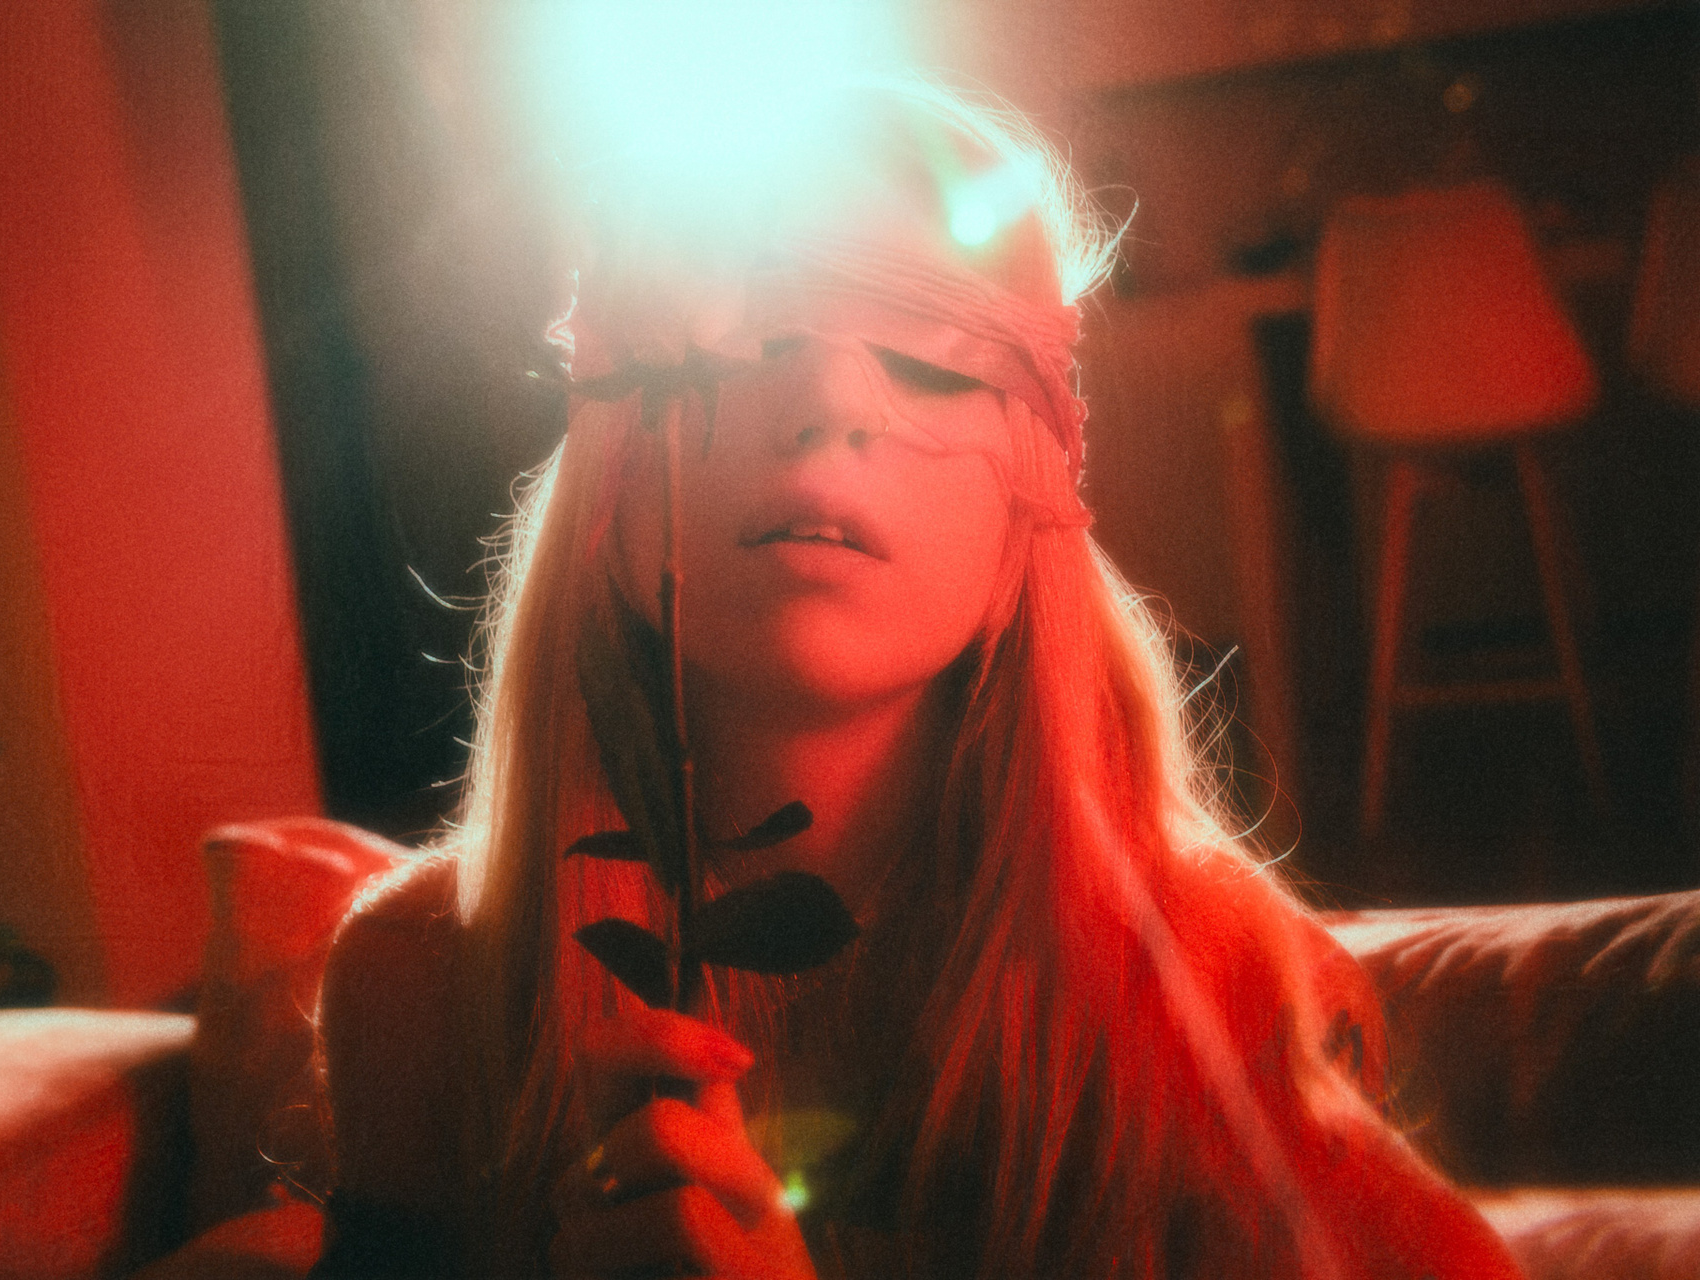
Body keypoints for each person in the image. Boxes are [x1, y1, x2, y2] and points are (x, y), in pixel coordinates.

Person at [311, 77, 1522, 1278]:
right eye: (755, 337)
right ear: (609, 457)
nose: (831, 403)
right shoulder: (424, 986)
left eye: (934, 358)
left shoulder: (1207, 982)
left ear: (1035, 491)